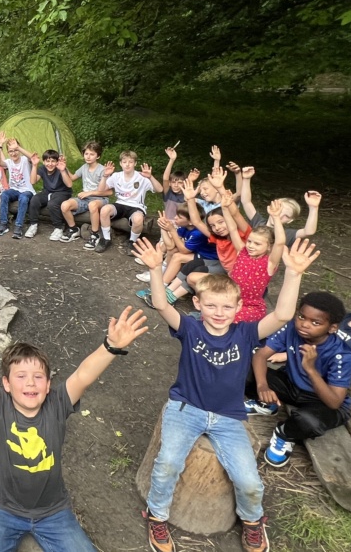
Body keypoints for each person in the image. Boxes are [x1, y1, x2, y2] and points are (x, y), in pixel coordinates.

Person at [134, 236, 321, 552]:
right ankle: (157, 514)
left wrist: (294, 273)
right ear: (197, 304)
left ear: (238, 307)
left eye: (226, 306)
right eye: (210, 305)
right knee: (167, 464)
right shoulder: (190, 328)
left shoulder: (246, 333)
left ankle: (252, 521)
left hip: (228, 417)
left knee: (248, 480)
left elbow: (284, 315)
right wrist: (156, 269)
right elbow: (163, 304)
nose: (218, 312)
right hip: (185, 408)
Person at [0, 298, 148, 552]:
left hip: (52, 513)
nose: (30, 383)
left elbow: (83, 375)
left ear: (48, 384)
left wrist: (111, 346)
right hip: (1, 510)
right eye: (21, 377)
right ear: (6, 384)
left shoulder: (57, 403)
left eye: (38, 377)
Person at [244, 292, 351, 468]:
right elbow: (261, 355)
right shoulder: (291, 329)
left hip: (321, 400)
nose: (304, 324)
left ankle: (284, 433)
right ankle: (268, 404)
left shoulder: (341, 355)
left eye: (315, 322)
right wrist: (262, 386)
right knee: (241, 368)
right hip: (291, 385)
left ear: (332, 328)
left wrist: (310, 369)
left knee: (309, 421)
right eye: (301, 316)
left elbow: (334, 402)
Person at [91, 151, 162, 254]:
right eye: (124, 162)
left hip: (136, 206)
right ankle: (106, 239)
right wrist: (105, 176)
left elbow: (159, 189)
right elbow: (101, 190)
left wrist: (150, 177)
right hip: (120, 204)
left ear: (135, 163)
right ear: (120, 163)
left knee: (138, 219)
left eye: (130, 162)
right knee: (104, 210)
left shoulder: (142, 177)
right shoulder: (116, 176)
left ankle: (132, 242)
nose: (127, 164)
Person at [227, 199, 286, 322]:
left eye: (257, 244)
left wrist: (276, 218)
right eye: (249, 241)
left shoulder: (269, 262)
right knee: (211, 316)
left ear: (269, 246)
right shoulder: (242, 251)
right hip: (228, 299)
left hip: (250, 306)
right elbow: (232, 229)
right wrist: (224, 207)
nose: (251, 246)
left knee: (230, 321)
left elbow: (280, 242)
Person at [236, 164, 321, 242]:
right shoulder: (258, 221)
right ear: (271, 207)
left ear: (290, 220)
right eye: (279, 210)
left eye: (286, 216)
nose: (280, 216)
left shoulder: (287, 235)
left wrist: (314, 208)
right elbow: (246, 202)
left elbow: (308, 231)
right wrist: (246, 179)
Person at [60, 141, 110, 244]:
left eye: (92, 154)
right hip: (84, 199)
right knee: (65, 205)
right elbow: (73, 177)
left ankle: (95, 234)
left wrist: (89, 193)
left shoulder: (103, 170)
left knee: (92, 205)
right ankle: (74, 229)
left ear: (98, 156)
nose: (88, 156)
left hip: (100, 199)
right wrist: (64, 168)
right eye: (86, 154)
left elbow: (109, 192)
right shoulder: (84, 167)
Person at [0, 137, 37, 239]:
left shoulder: (25, 160)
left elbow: (33, 157)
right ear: (8, 153)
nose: (14, 153)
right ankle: (4, 223)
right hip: (14, 189)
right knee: (4, 195)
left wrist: (18, 147)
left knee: (24, 198)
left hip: (27, 190)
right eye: (11, 151)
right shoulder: (9, 162)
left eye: (16, 150)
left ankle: (18, 226)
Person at [28, 149, 74, 240]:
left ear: (57, 162)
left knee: (52, 204)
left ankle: (59, 227)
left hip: (63, 192)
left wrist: (63, 170)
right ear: (44, 162)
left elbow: (69, 184)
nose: (50, 164)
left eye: (53, 161)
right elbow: (33, 181)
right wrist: (34, 165)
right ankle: (33, 225)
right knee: (34, 199)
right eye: (47, 161)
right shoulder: (42, 169)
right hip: (48, 191)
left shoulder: (61, 168)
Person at [160, 145, 187, 220]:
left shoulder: (187, 195)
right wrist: (171, 160)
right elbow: (165, 178)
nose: (176, 185)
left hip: (182, 227)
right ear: (170, 183)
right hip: (168, 225)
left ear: (184, 183)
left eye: (180, 183)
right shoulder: (168, 193)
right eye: (173, 182)